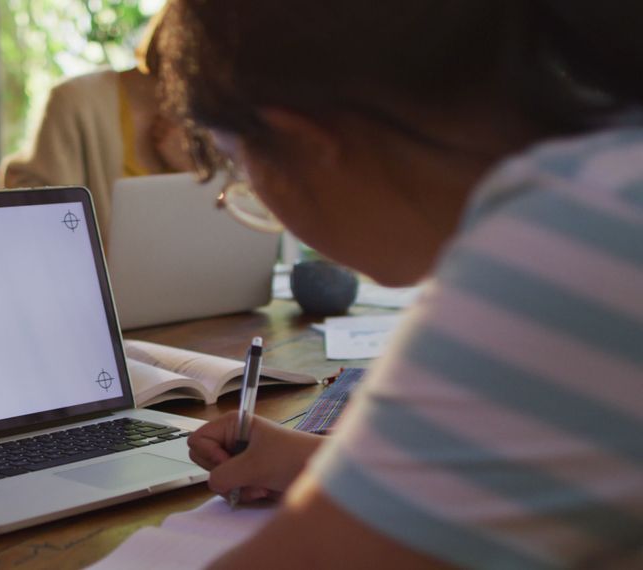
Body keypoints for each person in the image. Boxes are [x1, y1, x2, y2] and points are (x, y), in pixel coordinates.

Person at [159, 1, 643, 567]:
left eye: (241, 171)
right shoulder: (609, 179)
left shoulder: (570, 239)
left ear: (305, 142)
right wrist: (330, 465)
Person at [0, 7, 192, 242]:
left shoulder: (216, 122)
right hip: (99, 276)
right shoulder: (75, 101)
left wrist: (191, 170)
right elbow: (28, 202)